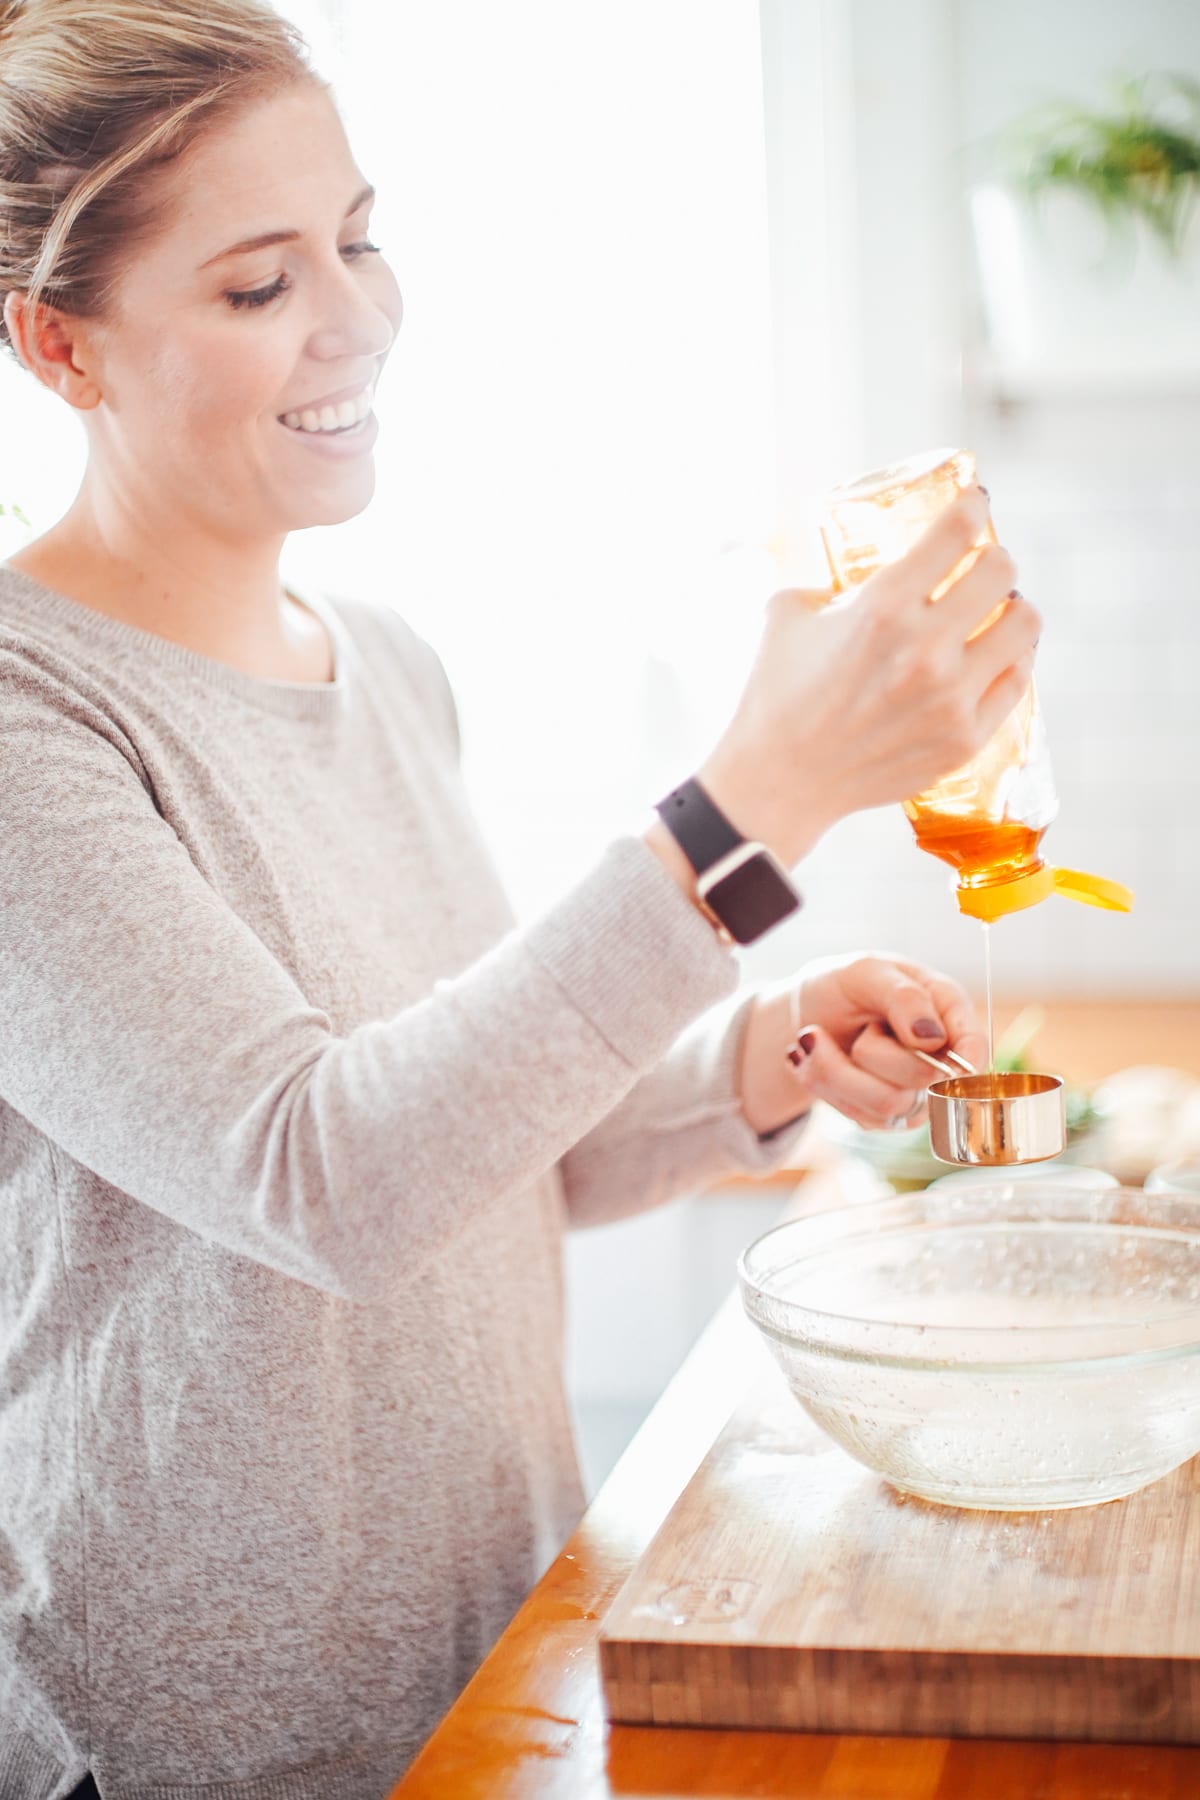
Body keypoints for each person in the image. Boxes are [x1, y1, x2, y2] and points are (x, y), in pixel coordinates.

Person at [0, 2, 1038, 1796]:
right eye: (259, 286)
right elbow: (320, 1179)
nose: (358, 318)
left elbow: (485, 1145)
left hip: (499, 1642)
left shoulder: (385, 666)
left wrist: (764, 1059)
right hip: (193, 1745)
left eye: (359, 234)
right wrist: (747, 809)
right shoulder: (33, 718)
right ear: (58, 345)